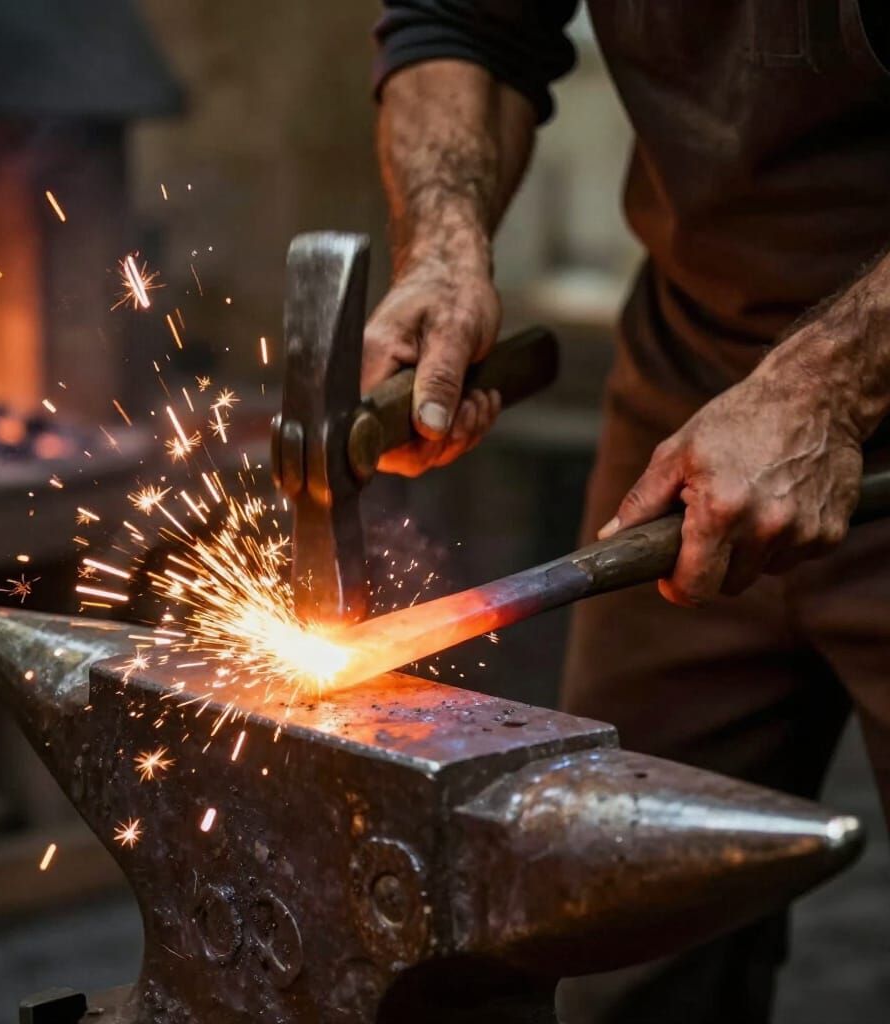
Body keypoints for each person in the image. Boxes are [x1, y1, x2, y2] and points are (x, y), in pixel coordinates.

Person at [366, 3, 890, 1021]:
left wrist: (826, 387)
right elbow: (464, 25)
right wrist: (443, 245)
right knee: (619, 933)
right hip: (691, 385)